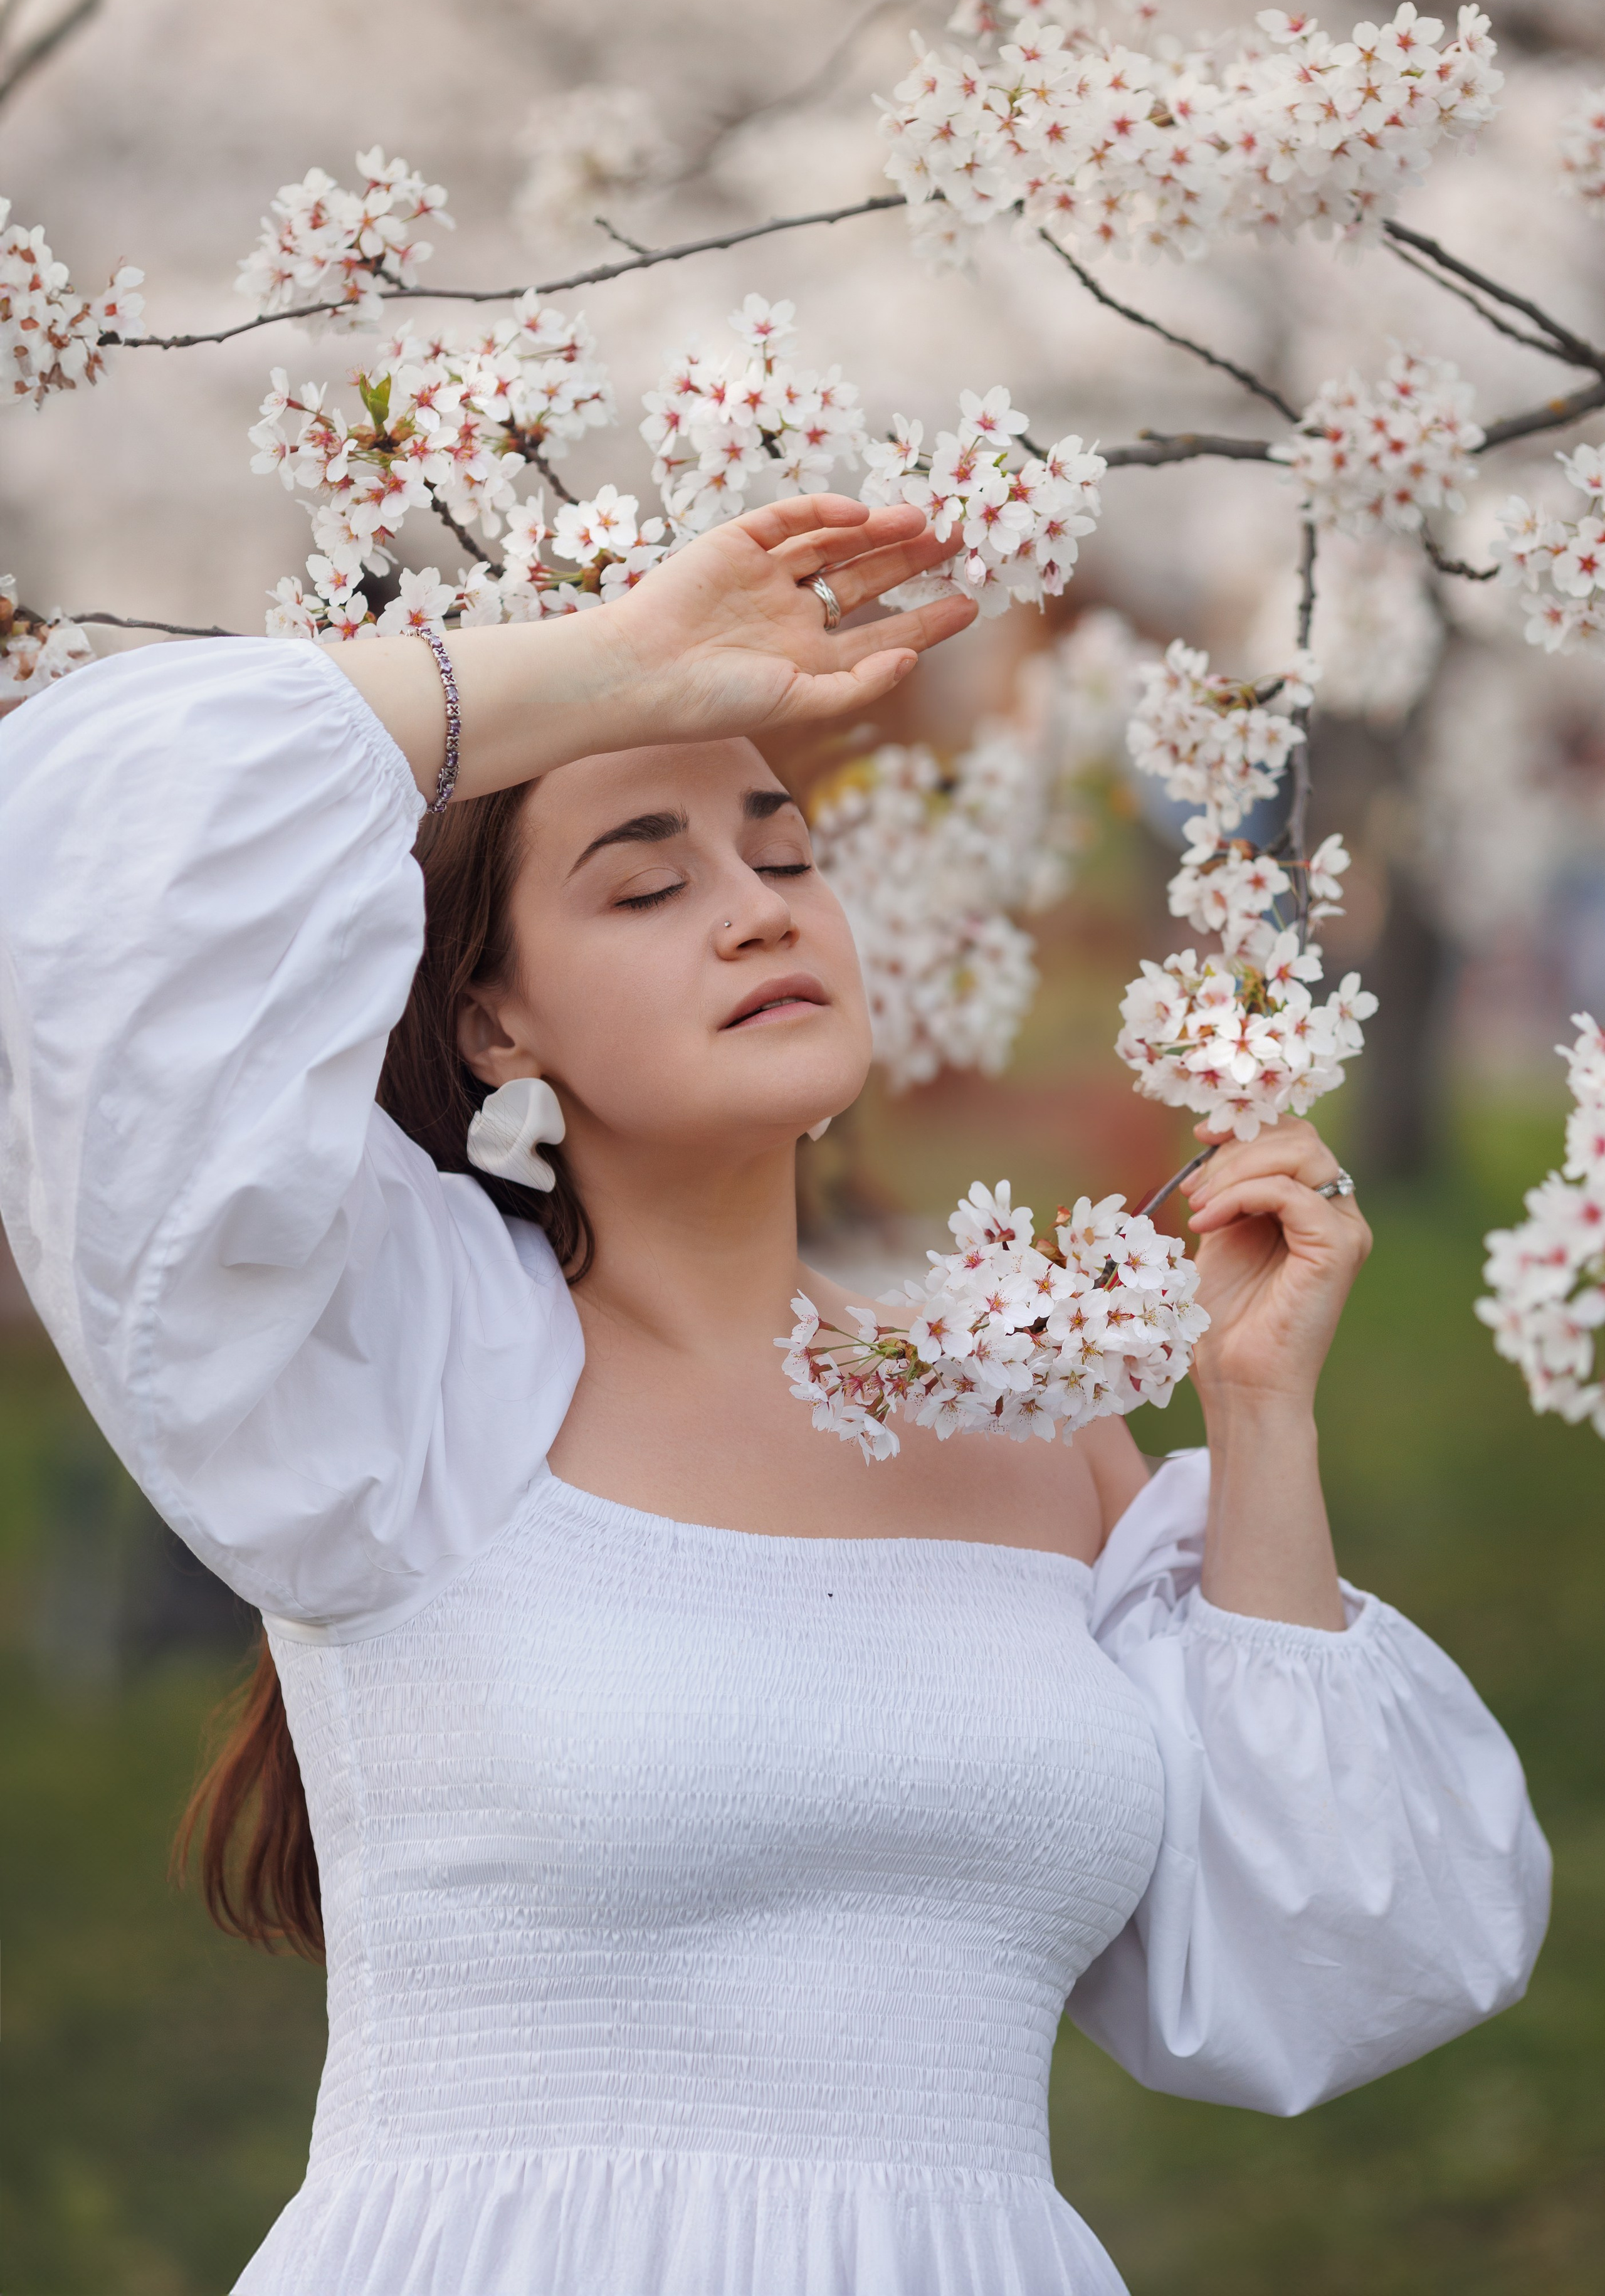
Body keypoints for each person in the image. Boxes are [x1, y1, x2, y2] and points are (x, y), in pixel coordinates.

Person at [0, 495, 1549, 2296]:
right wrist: (600, 671)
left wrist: (1258, 1416)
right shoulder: (399, 1359)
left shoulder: (1032, 1415)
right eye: (647, 881)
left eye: (784, 852)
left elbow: (1336, 1956)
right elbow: (80, 852)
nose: (751, 913)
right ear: (495, 1017)